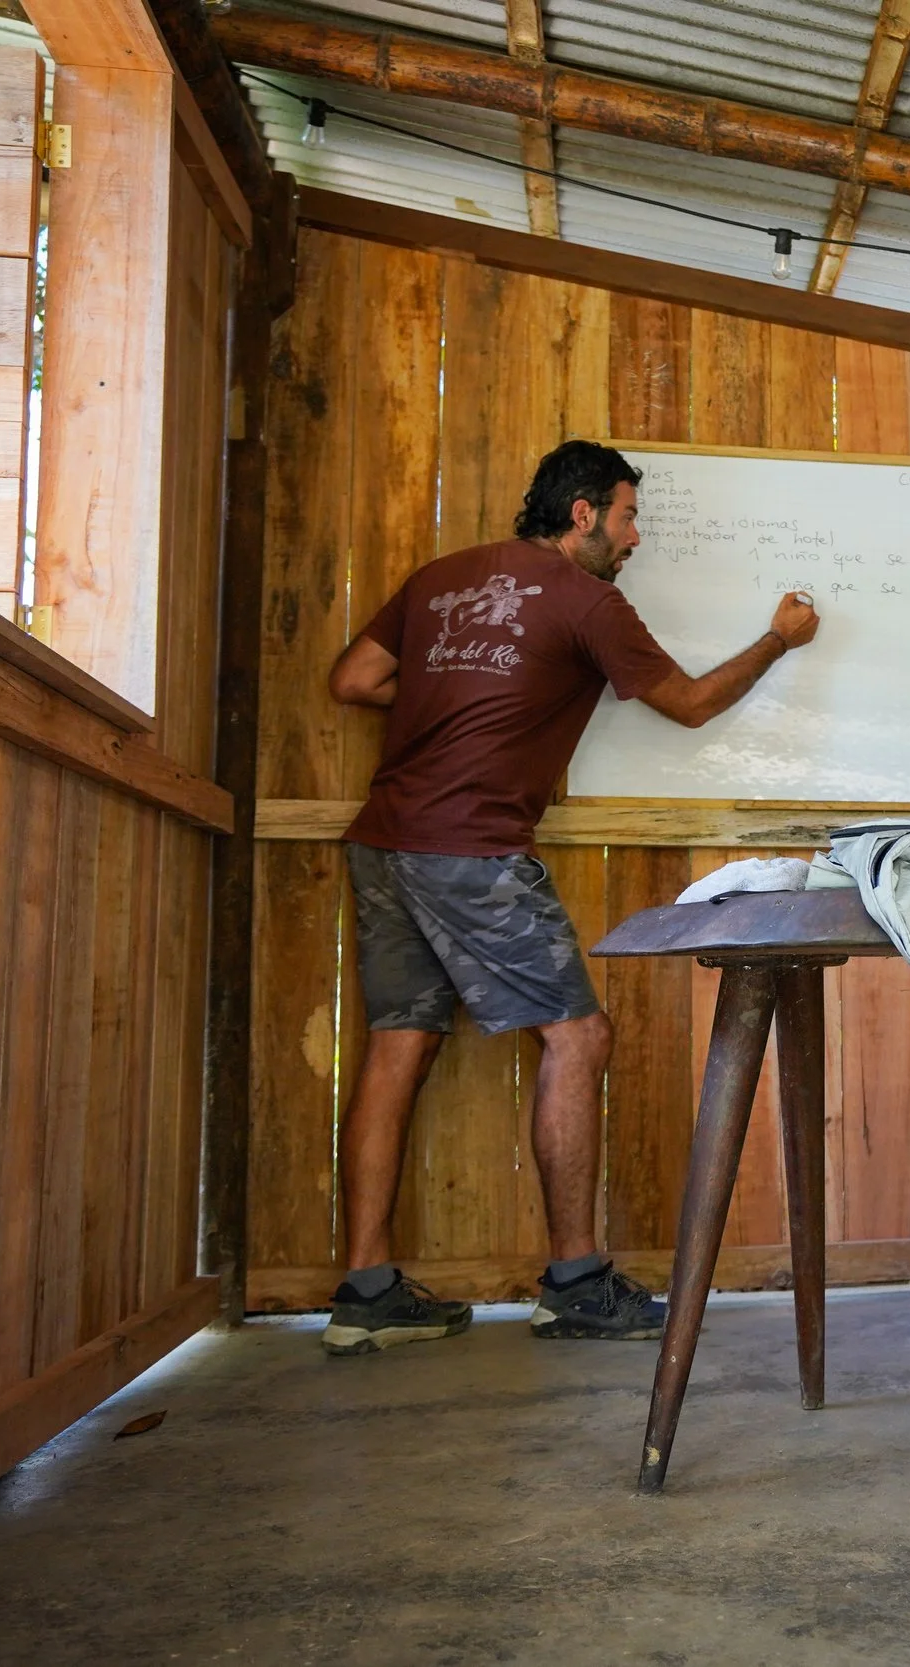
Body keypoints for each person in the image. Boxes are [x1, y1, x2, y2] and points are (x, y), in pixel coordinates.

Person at [318, 440, 820, 1356]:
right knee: (579, 1037)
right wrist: (778, 640)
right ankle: (577, 1283)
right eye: (628, 518)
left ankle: (366, 1292)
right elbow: (692, 704)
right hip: (469, 847)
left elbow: (355, 679)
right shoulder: (587, 600)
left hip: (384, 841)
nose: (635, 538)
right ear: (583, 513)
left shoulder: (440, 579)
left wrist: (456, 695)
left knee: (398, 1043)